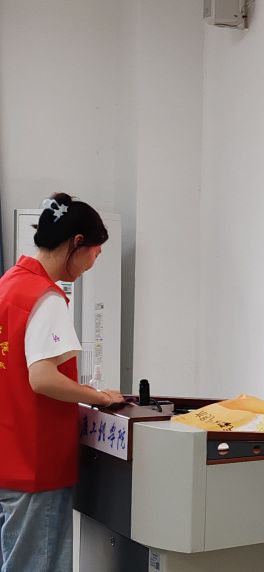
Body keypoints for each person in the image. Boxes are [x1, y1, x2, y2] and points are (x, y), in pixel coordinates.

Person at [0, 193, 125, 572]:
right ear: (77, 243)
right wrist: (99, 397)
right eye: (95, 253)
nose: (92, 263)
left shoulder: (9, 284)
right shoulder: (46, 297)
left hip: (10, 455)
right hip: (37, 462)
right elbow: (42, 378)